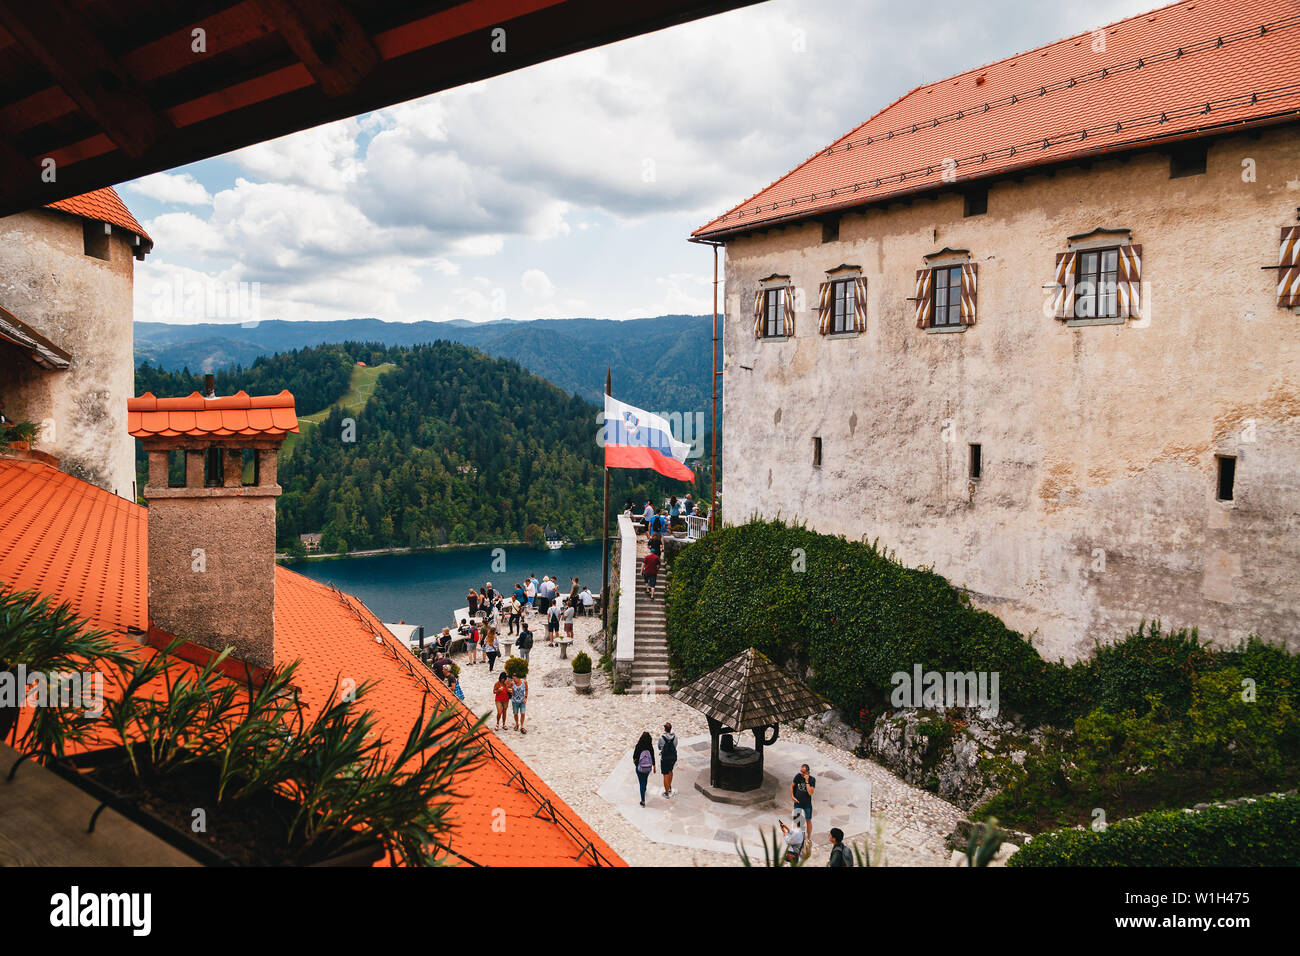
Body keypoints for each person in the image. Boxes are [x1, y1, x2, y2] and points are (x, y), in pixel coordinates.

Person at [791, 764, 816, 854]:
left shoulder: (812, 780)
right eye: (801, 771)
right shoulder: (798, 776)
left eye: (803, 772)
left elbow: (810, 793)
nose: (801, 773)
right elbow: (792, 786)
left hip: (807, 804)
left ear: (807, 772)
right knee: (798, 822)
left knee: (808, 820)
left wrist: (806, 781)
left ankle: (808, 838)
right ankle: (798, 838)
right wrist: (792, 796)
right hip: (798, 803)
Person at [633, 731, 656, 807]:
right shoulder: (650, 746)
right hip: (648, 768)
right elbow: (652, 756)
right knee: (645, 779)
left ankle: (643, 801)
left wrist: (636, 763)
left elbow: (634, 757)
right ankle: (645, 789)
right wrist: (654, 766)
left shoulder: (638, 746)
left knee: (641, 783)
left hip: (640, 768)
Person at [657, 722, 678, 798]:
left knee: (665, 774)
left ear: (665, 728)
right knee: (670, 771)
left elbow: (659, 747)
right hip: (672, 758)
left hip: (665, 758)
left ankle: (666, 792)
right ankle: (669, 787)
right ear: (670, 728)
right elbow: (675, 745)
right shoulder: (675, 737)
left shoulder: (661, 737)